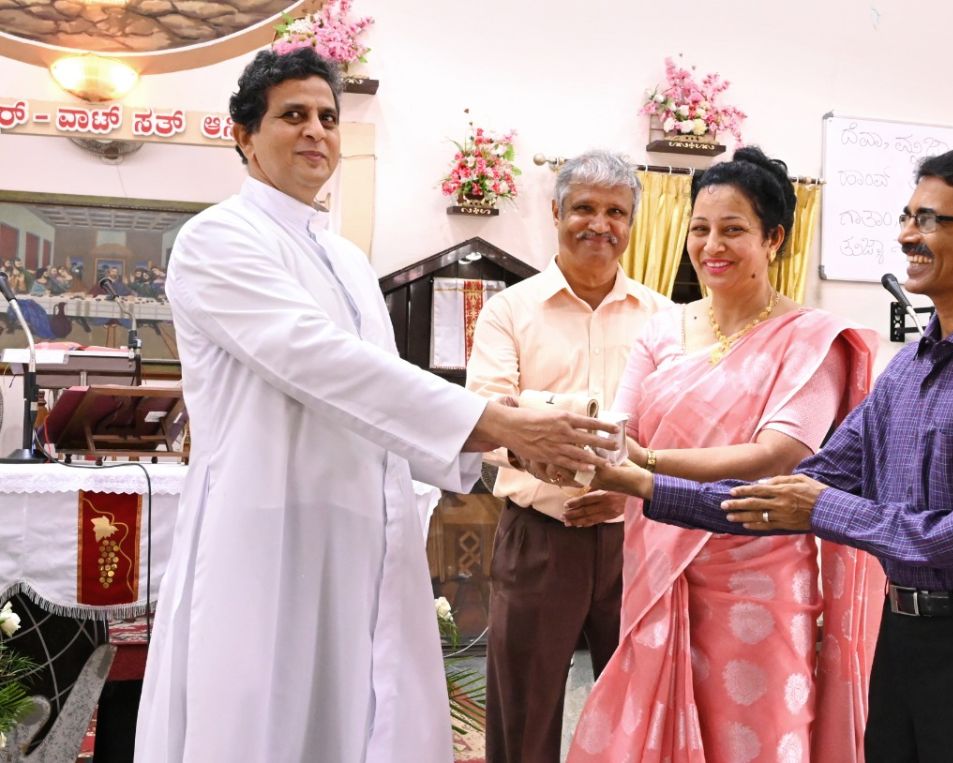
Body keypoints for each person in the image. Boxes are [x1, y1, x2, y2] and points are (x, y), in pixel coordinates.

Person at [134, 49, 615, 763]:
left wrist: (500, 441)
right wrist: (494, 423)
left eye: (328, 118)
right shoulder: (217, 239)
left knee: (355, 713)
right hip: (266, 526)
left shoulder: (349, 262)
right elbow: (321, 363)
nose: (316, 131)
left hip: (358, 527)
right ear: (243, 135)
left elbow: (381, 395)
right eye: (293, 115)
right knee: (264, 716)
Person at [599, 147, 953, 762]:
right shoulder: (908, 371)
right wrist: (642, 484)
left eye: (929, 219)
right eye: (906, 217)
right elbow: (800, 486)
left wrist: (823, 510)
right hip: (902, 639)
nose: (906, 235)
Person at [562, 147, 882, 763]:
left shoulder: (811, 340)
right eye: (700, 229)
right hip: (659, 564)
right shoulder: (663, 330)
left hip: (759, 576)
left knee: (755, 733)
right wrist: (588, 461)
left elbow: (776, 454)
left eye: (733, 230)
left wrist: (645, 469)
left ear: (774, 239)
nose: (712, 246)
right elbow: (622, 432)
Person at [465, 149, 672, 763]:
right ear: (556, 213)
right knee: (523, 711)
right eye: (584, 208)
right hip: (540, 536)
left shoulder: (664, 318)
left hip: (637, 538)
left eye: (617, 212)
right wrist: (546, 456)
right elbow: (484, 417)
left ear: (631, 223)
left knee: (638, 708)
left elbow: (676, 428)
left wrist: (627, 489)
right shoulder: (509, 310)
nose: (599, 225)